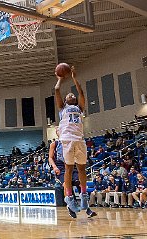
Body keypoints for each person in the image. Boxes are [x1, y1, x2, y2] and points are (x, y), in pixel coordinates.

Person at [54, 66, 92, 218]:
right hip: (67, 141)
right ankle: (69, 198)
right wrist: (60, 79)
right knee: (69, 169)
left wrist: (74, 78)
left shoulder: (79, 108)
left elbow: (81, 92)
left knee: (82, 169)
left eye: (72, 94)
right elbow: (57, 91)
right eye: (68, 94)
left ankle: (84, 197)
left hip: (79, 140)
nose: (70, 94)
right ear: (65, 100)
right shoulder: (63, 108)